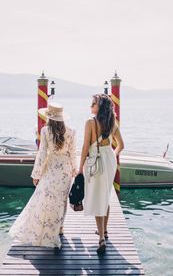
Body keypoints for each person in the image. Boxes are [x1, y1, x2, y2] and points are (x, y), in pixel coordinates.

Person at [8, 103, 77, 249]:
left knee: (46, 198)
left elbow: (42, 153)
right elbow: (73, 153)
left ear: (49, 117)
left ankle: (46, 227)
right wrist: (75, 169)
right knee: (62, 201)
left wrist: (37, 174)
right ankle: (60, 228)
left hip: (51, 168)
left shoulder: (45, 131)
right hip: (65, 170)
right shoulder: (71, 131)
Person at [78, 94, 124, 254]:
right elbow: (121, 145)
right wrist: (111, 154)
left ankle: (101, 239)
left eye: (94, 103)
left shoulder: (90, 122)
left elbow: (85, 147)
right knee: (105, 195)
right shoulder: (112, 123)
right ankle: (104, 230)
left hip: (96, 161)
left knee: (98, 198)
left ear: (101, 106)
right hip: (109, 160)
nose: (91, 105)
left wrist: (79, 168)